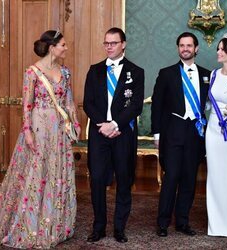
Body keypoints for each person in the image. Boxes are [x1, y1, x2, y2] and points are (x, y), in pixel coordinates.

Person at [0, 30, 81, 248]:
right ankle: (30, 223)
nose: (66, 48)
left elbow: (69, 101)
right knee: (37, 173)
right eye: (63, 45)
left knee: (57, 172)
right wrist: (27, 131)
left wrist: (74, 123)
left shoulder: (65, 72)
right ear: (51, 46)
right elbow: (26, 104)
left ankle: (54, 223)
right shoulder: (33, 72)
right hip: (39, 127)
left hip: (59, 130)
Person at [83, 27, 144, 243]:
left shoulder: (136, 72)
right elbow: (88, 102)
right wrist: (103, 124)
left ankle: (120, 228)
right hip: (100, 133)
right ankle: (98, 227)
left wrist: (116, 123)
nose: (109, 46)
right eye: (106, 43)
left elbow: (136, 105)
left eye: (113, 43)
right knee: (97, 180)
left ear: (123, 44)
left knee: (124, 180)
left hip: (123, 133)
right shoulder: (95, 70)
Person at [151, 32, 210, 237]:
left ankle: (183, 222)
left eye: (189, 45)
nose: (185, 48)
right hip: (173, 131)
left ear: (196, 48)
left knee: (189, 179)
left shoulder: (207, 75)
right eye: (182, 45)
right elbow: (156, 106)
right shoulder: (166, 73)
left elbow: (211, 104)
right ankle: (163, 222)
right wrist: (156, 134)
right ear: (178, 48)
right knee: (171, 177)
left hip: (195, 133)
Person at [206, 34, 227, 237]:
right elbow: (207, 102)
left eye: (222, 49)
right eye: (218, 49)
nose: (218, 52)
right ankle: (216, 225)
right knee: (215, 175)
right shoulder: (214, 74)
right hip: (214, 130)